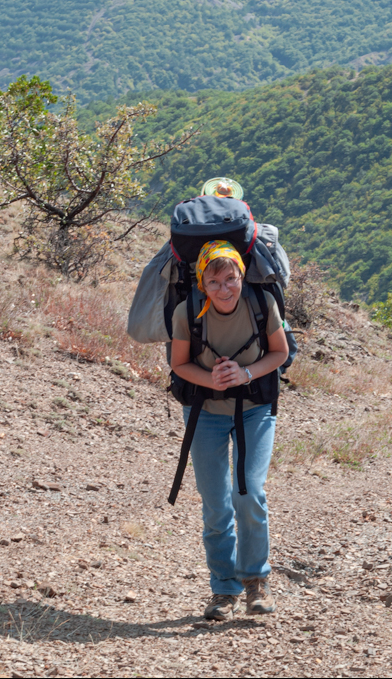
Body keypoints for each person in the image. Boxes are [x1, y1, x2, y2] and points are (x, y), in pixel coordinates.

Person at [169, 240, 288, 621]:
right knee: (216, 505)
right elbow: (179, 365)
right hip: (205, 412)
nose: (225, 289)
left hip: (255, 410)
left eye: (231, 279)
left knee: (248, 493)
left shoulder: (261, 303)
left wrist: (245, 373)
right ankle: (224, 589)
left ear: (241, 275)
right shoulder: (188, 311)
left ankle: (256, 581)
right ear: (203, 282)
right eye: (215, 281)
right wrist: (212, 381)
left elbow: (280, 353)